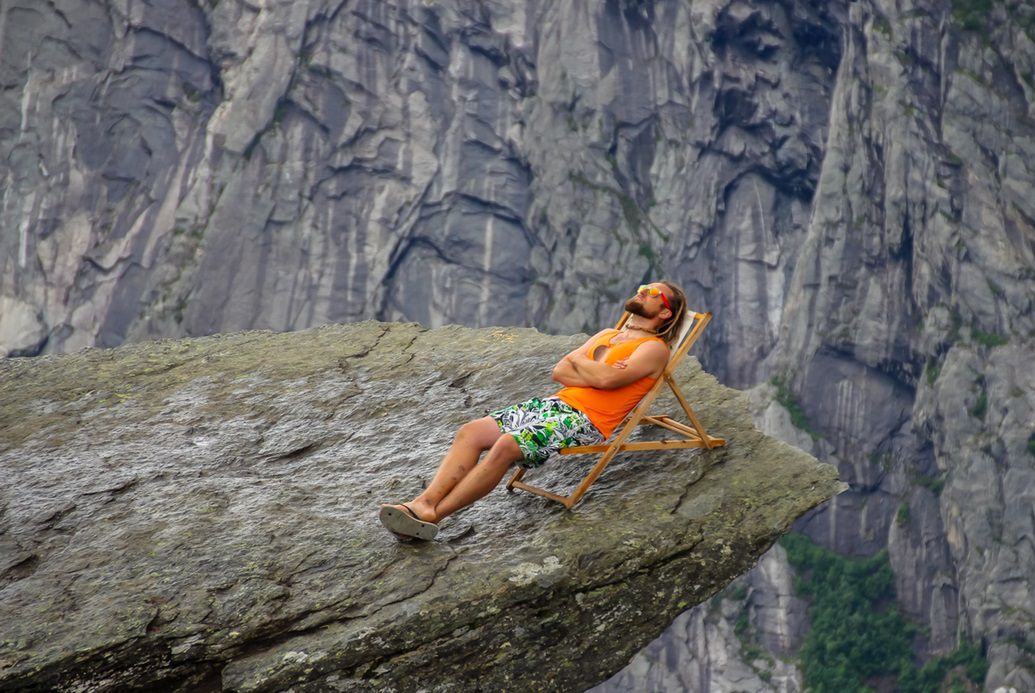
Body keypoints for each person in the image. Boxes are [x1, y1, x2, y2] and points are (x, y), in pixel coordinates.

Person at [378, 281, 688, 540]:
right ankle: (424, 502)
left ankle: (430, 519)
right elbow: (560, 370)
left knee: (506, 445)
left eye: (653, 294)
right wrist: (595, 369)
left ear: (664, 312)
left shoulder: (653, 349)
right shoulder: (608, 335)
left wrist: (587, 365)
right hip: (554, 404)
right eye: (643, 287)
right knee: (471, 432)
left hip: (585, 420)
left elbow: (605, 379)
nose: (643, 292)